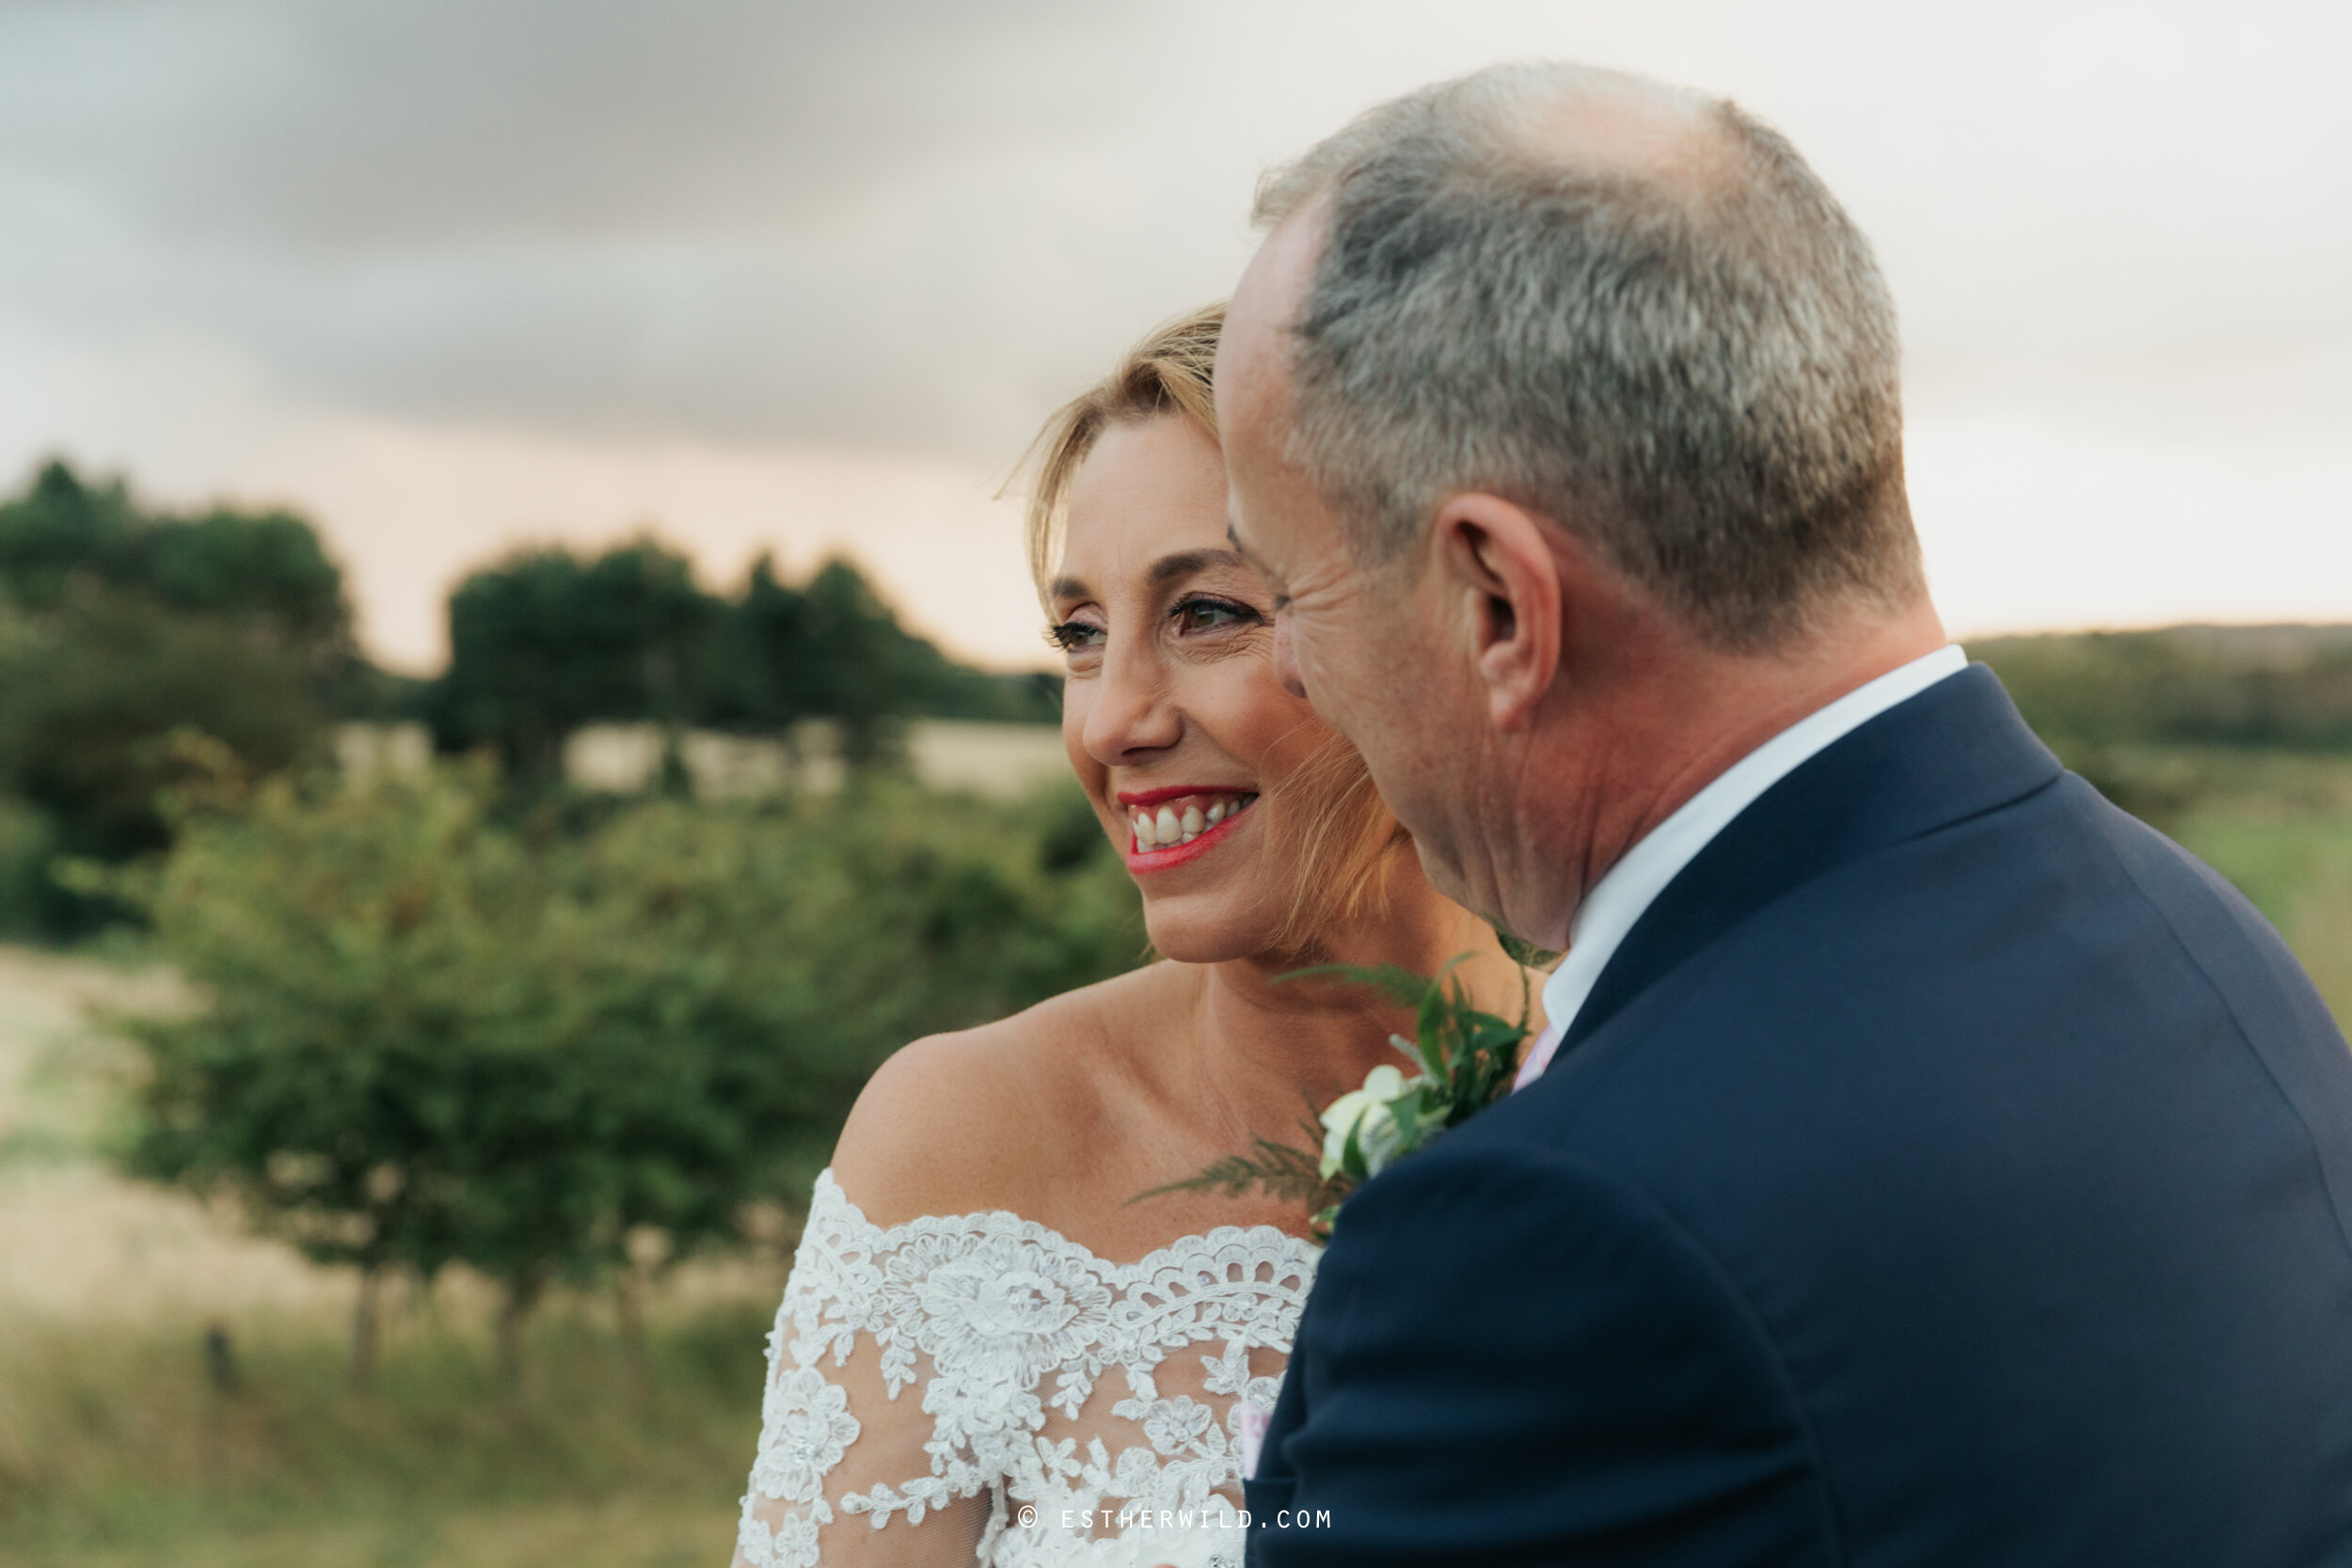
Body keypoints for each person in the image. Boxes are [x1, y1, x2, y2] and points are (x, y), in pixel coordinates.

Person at [1216, 62, 2352, 1567]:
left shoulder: (1559, 1243)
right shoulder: (2210, 952)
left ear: (1499, 603)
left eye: (1286, 587)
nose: (1290, 662)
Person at [729, 306, 1539, 1568]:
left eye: (1207, 613)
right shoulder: (965, 1148)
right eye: (1080, 637)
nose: (1112, 722)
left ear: (1451, 622)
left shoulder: (1650, 1105)